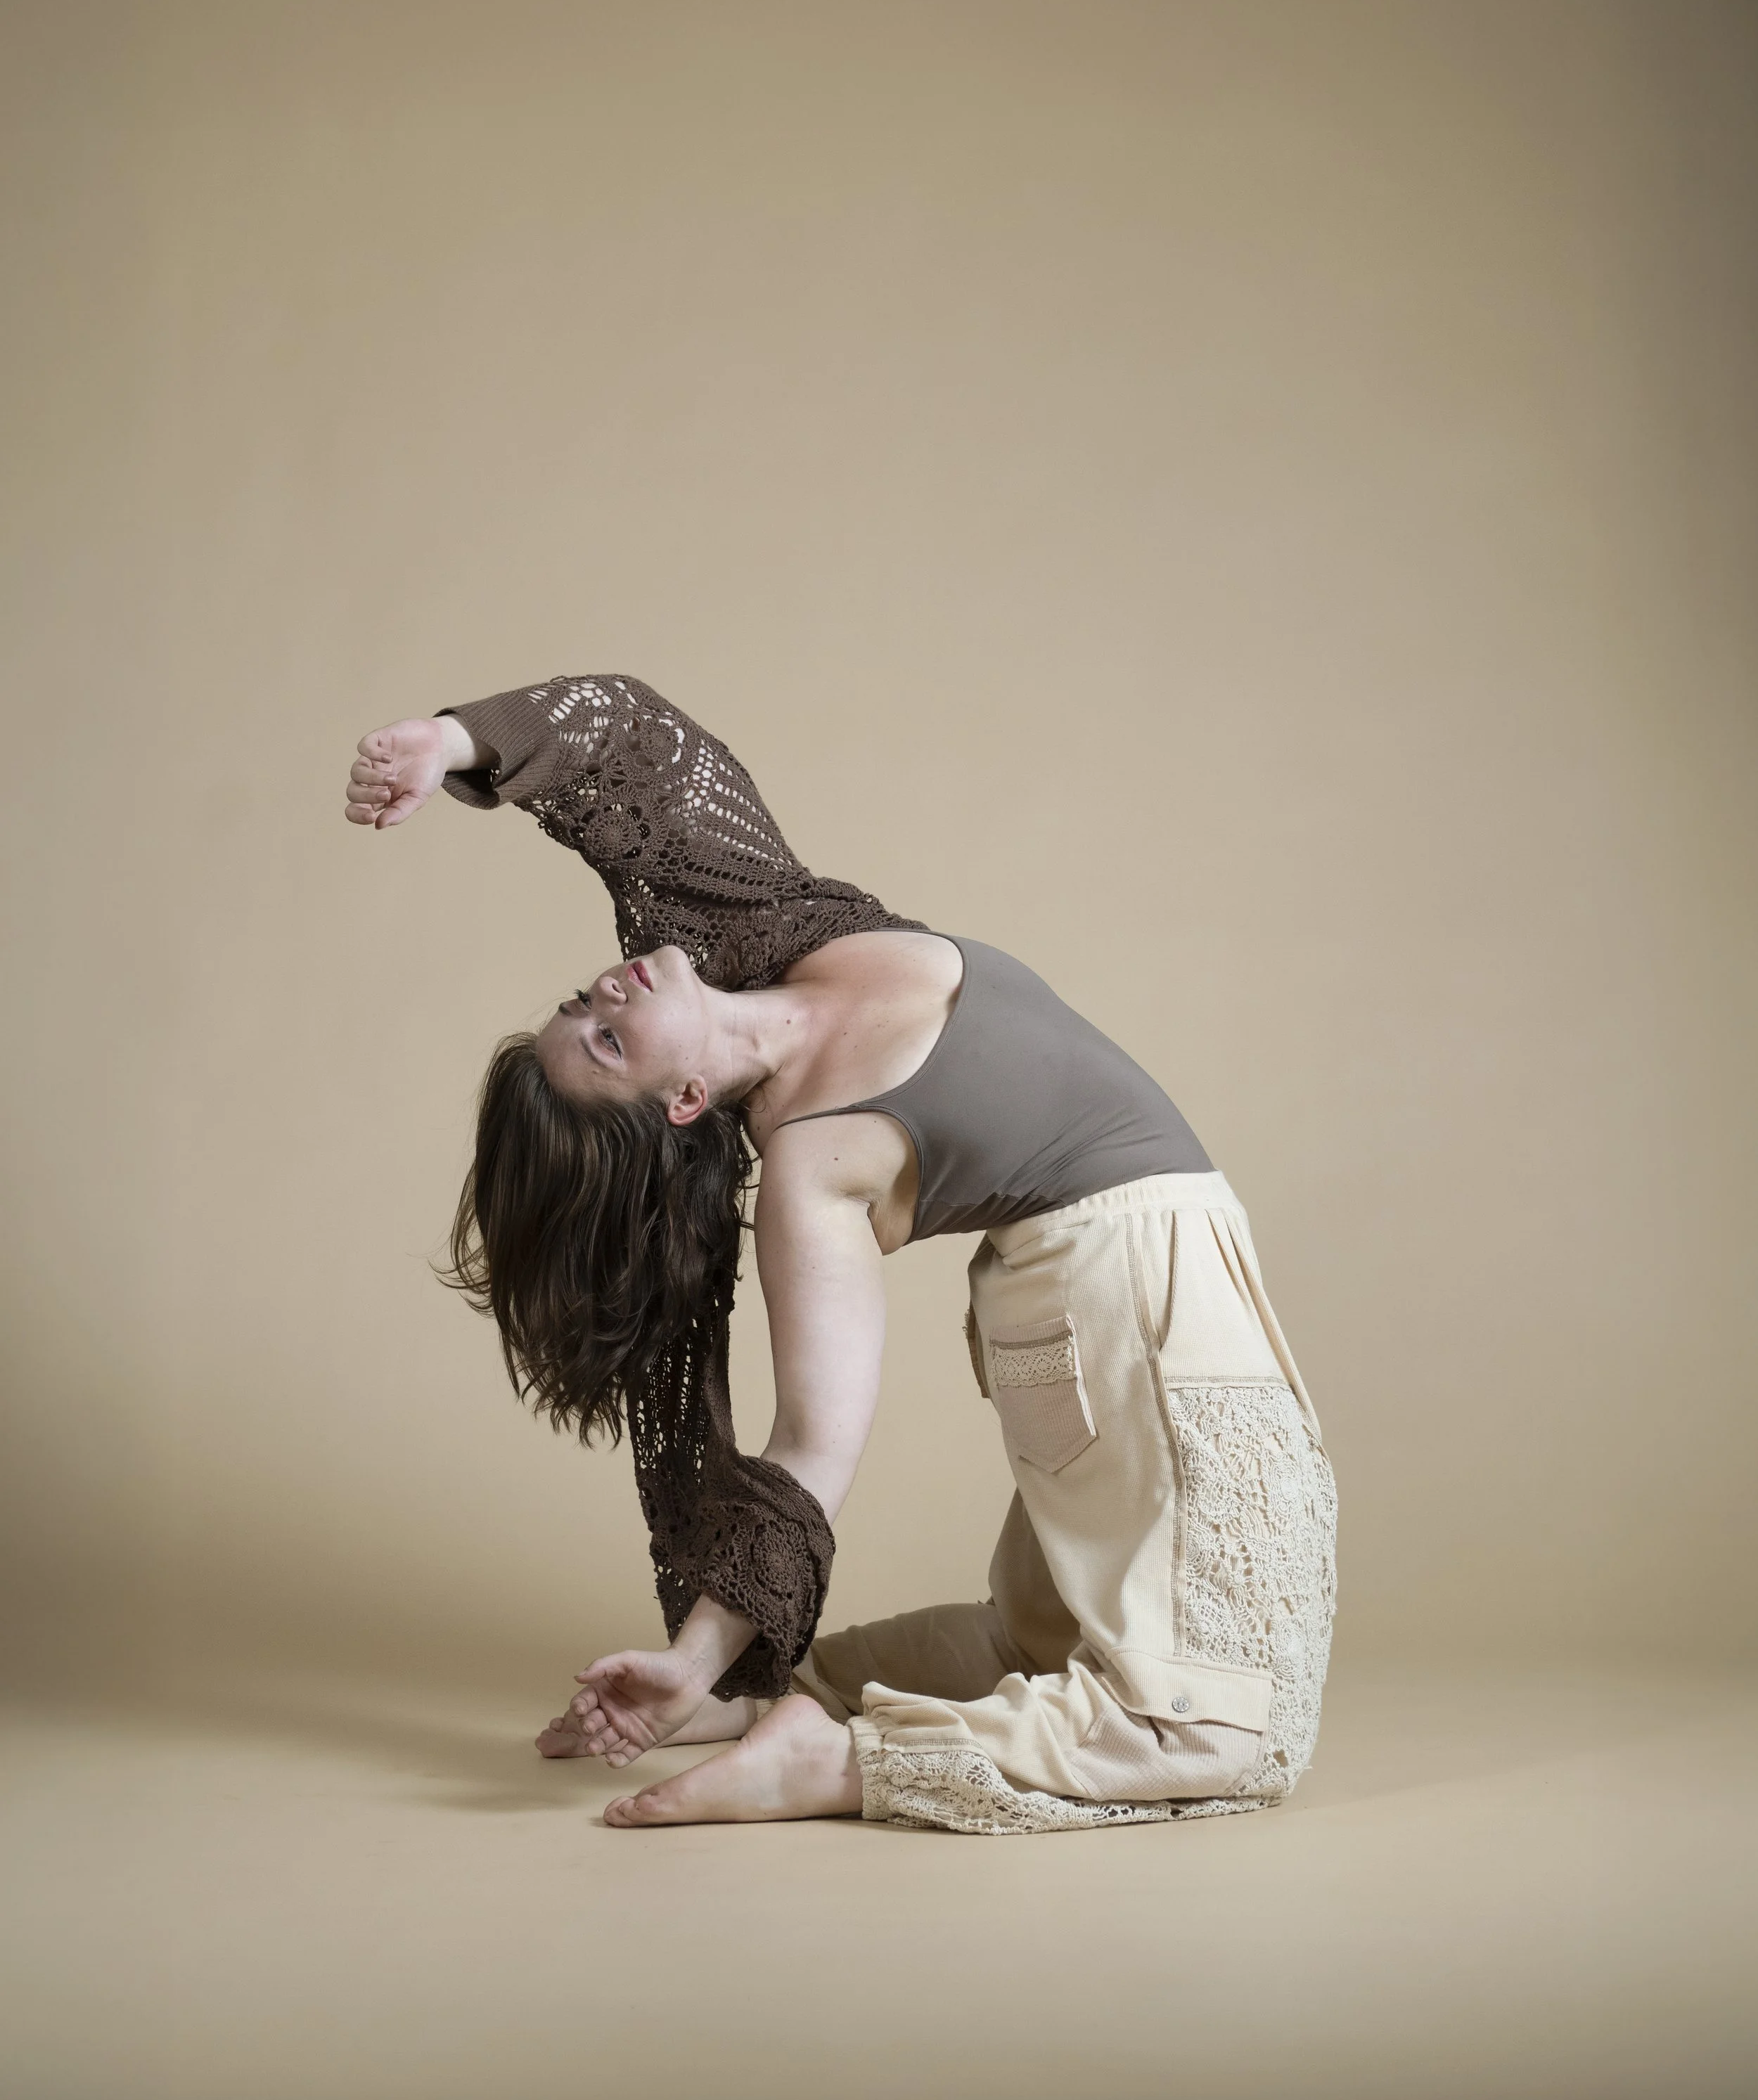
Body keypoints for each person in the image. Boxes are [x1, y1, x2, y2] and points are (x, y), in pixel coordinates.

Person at [343, 674, 1336, 1833]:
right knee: (1228, 1727)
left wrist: (451, 742)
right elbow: (812, 1447)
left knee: (1044, 1639)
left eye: (581, 1002)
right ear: (682, 1101)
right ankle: (831, 1765)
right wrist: (703, 1648)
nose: (606, 987)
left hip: (1116, 1285)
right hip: (1133, 1294)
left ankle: (778, 1711)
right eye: (608, 1040)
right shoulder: (813, 1167)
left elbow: (636, 745)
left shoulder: (774, 934)